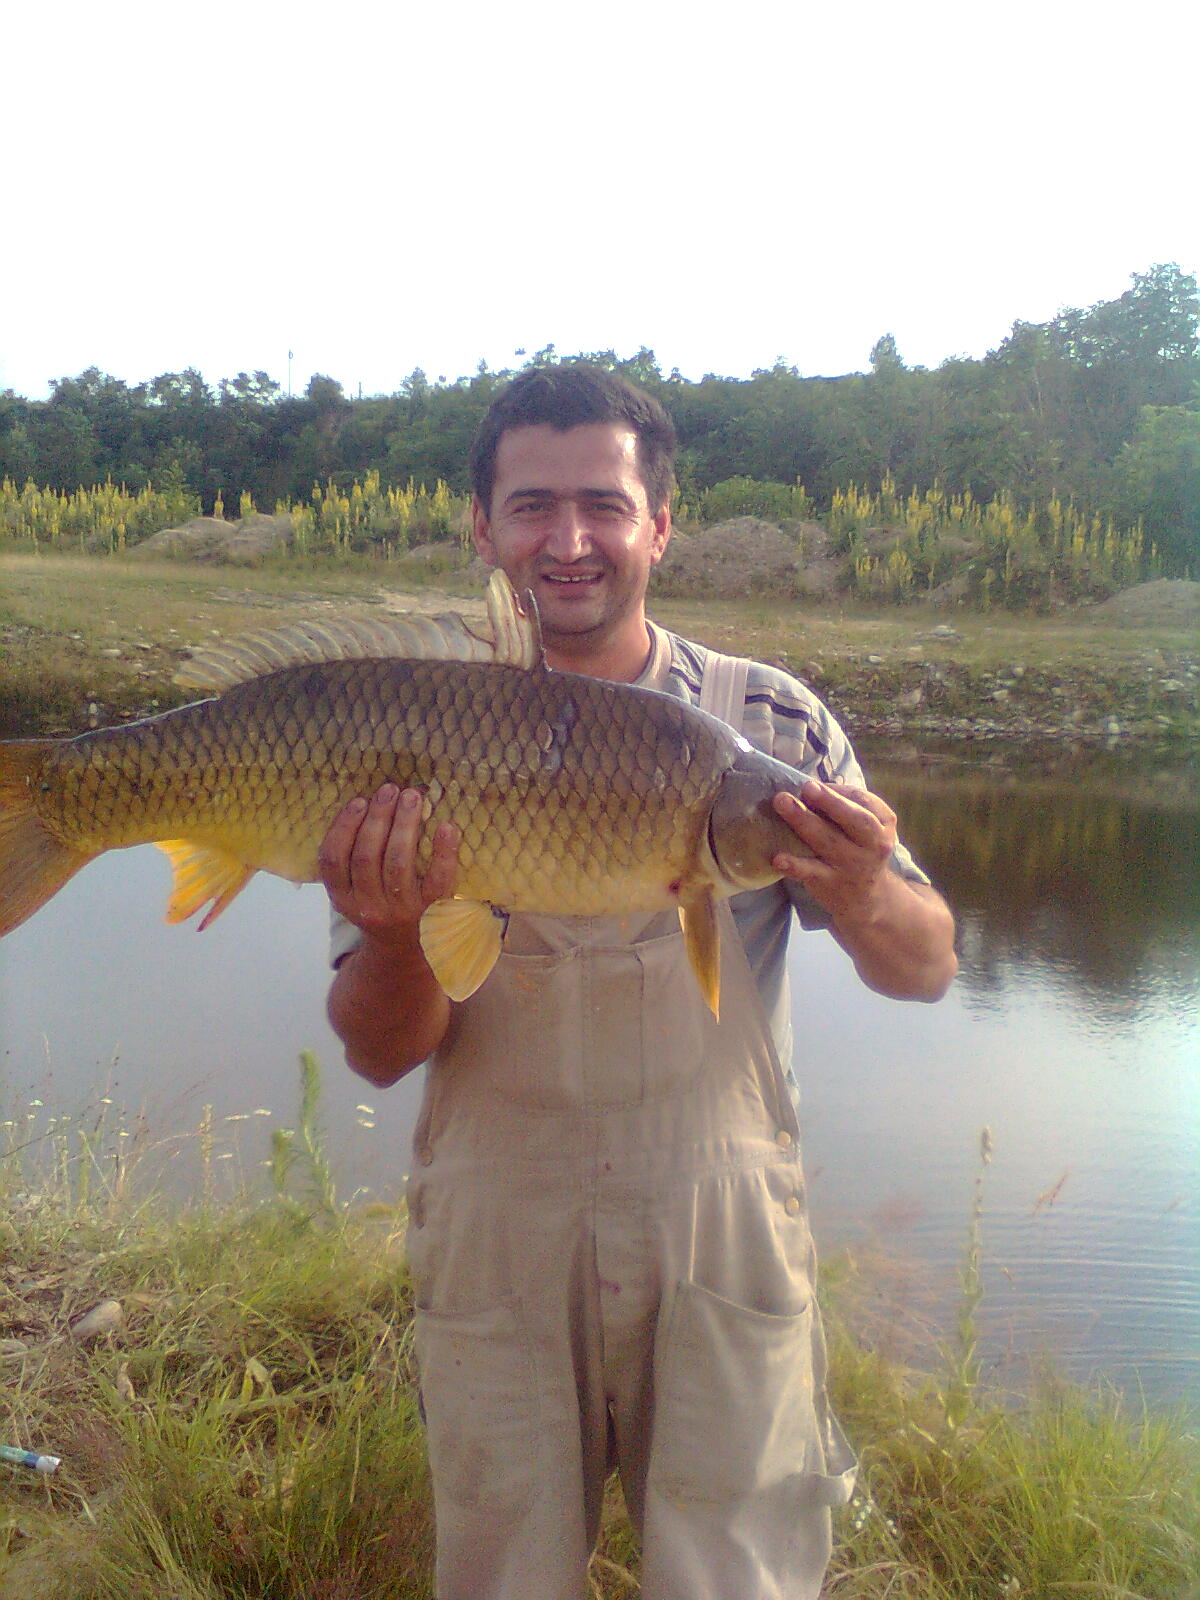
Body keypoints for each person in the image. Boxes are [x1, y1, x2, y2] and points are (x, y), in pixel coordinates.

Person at [319, 366, 957, 1600]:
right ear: (482, 525)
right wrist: (395, 931)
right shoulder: (411, 724)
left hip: (720, 1224)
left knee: (734, 1578)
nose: (569, 542)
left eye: (604, 505)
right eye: (532, 506)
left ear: (660, 523)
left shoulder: (770, 724)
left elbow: (927, 968)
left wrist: (866, 884)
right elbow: (378, 1050)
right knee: (505, 1575)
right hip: (499, 1221)